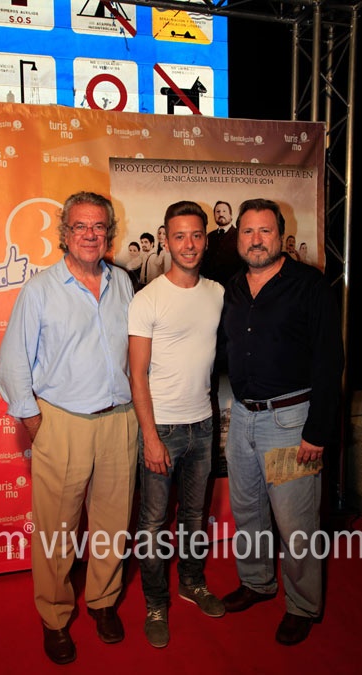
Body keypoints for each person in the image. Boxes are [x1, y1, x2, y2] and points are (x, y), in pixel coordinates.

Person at [0, 191, 138, 665]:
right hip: (62, 422)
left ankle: (103, 602)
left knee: (113, 523)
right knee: (57, 530)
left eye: (98, 226)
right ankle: (55, 616)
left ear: (109, 233)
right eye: (80, 226)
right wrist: (38, 423)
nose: (90, 234)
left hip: (119, 421)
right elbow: (13, 363)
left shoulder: (123, 283)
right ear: (64, 234)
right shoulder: (40, 290)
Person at [219, 198, 344, 646]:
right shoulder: (233, 288)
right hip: (242, 418)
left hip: (291, 423)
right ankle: (257, 582)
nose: (256, 240)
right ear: (238, 238)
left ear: (281, 235)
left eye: (265, 231)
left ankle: (302, 605)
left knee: (295, 522)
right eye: (248, 231)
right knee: (248, 512)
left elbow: (330, 362)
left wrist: (317, 431)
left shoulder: (309, 286)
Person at [128, 200, 226, 649]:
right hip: (162, 428)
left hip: (202, 426)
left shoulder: (217, 293)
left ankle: (192, 582)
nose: (189, 244)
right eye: (179, 236)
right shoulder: (147, 299)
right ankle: (155, 603)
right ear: (166, 240)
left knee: (193, 516)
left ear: (205, 239)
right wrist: (150, 437)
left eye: (196, 235)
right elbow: (137, 374)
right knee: (152, 523)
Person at [200, 200, 242, 286]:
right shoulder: (209, 236)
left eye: (224, 211)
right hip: (211, 287)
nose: (221, 214)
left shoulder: (239, 236)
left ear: (230, 215)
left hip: (232, 286)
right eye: (218, 212)